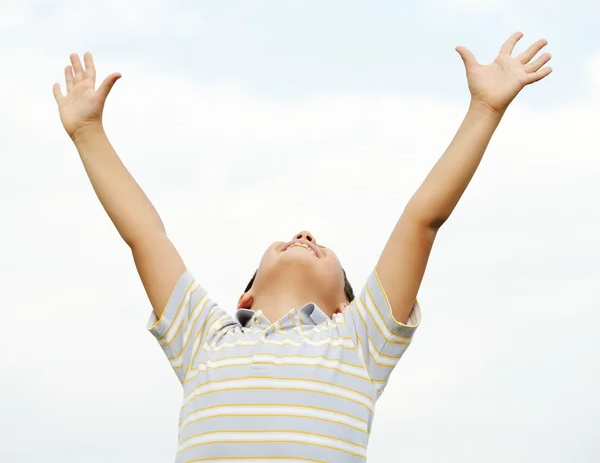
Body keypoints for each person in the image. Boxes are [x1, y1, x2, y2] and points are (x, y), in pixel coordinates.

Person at [52, 32, 552, 462]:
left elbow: (422, 219)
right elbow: (145, 234)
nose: (305, 235)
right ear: (242, 301)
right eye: (289, 240)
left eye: (320, 244)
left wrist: (485, 109)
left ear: (345, 307)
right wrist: (88, 132)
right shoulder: (208, 338)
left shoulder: (357, 341)